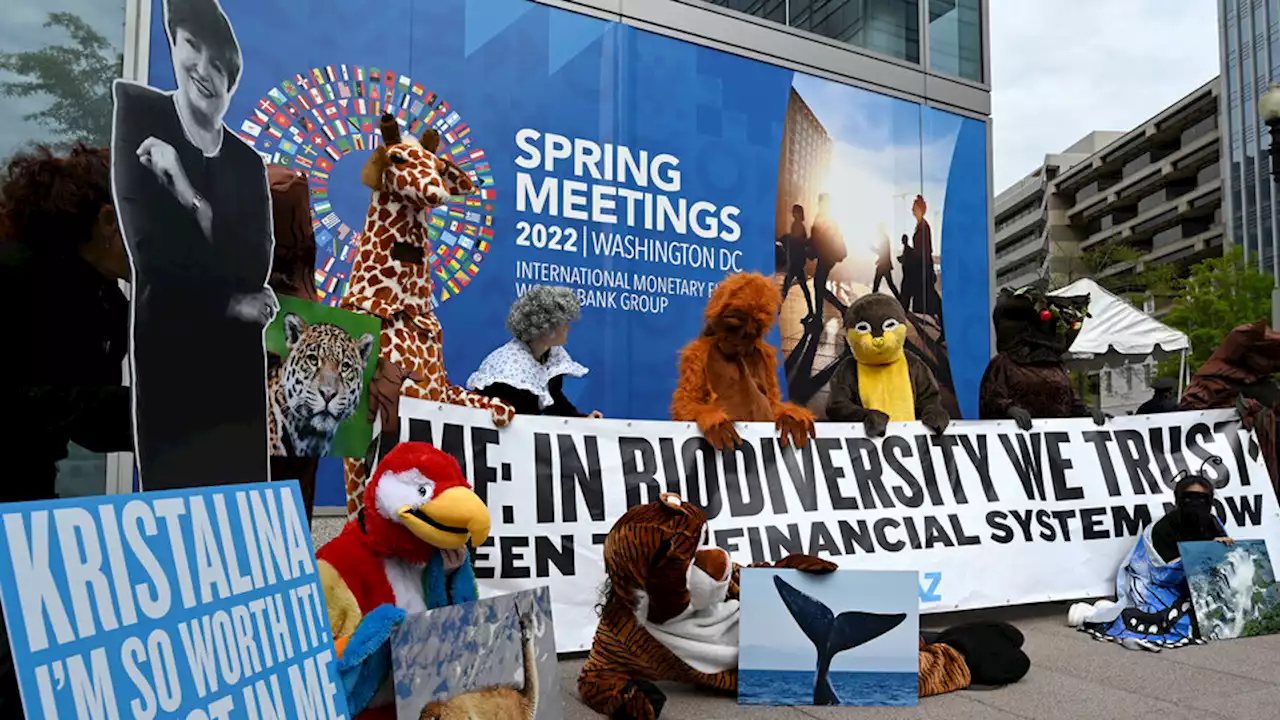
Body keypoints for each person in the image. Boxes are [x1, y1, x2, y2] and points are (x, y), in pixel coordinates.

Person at [112, 0, 277, 490]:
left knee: (237, 529)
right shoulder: (143, 116)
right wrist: (230, 301)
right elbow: (155, 259)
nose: (204, 71)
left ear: (232, 81)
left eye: (220, 65)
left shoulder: (247, 162)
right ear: (173, 43)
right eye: (193, 47)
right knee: (173, 523)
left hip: (236, 387)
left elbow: (255, 263)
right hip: (173, 372)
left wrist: (188, 196)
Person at [0, 143, 134, 717]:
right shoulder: (15, 279)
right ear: (108, 221)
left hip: (27, 490)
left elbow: (94, 424)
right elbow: (55, 406)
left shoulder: (103, 295)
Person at [1070, 466, 1232, 651]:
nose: (1196, 504)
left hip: (1193, 587)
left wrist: (1220, 547)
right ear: (1178, 500)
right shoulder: (1163, 528)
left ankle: (1105, 610)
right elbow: (1162, 573)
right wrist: (1203, 554)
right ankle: (1097, 615)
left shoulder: (1213, 523)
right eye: (1189, 498)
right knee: (1175, 622)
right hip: (1157, 585)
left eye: (1202, 499)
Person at [467, 285, 603, 417]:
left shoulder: (551, 355)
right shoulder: (508, 370)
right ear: (547, 328)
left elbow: (555, 398)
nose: (569, 328)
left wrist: (582, 419)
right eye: (564, 323)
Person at [808, 193, 847, 321]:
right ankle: (820, 314)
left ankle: (838, 309)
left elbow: (820, 238)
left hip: (826, 257)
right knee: (819, 285)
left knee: (818, 285)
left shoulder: (824, 217)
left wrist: (811, 250)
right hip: (827, 257)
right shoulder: (827, 218)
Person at [780, 204, 814, 317]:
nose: (793, 214)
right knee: (803, 287)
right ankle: (811, 311)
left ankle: (777, 309)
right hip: (798, 261)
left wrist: (786, 238)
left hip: (796, 262)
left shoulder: (798, 225)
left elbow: (797, 242)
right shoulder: (799, 225)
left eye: (795, 212)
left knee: (786, 286)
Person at [871, 222, 899, 297]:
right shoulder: (884, 237)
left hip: (883, 266)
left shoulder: (883, 238)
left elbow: (883, 252)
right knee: (889, 284)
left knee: (876, 283)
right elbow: (885, 252)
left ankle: (873, 299)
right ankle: (900, 299)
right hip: (885, 265)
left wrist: (873, 248)